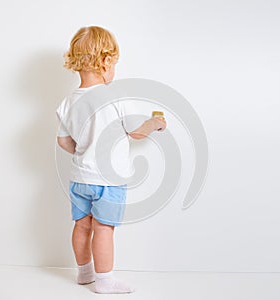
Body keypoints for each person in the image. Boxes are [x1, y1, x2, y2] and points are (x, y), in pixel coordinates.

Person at [56, 26, 166, 294]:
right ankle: (104, 281)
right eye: (114, 63)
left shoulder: (68, 101)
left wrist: (84, 152)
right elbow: (136, 132)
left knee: (82, 226)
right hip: (108, 180)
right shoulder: (115, 96)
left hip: (79, 178)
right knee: (103, 228)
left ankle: (84, 273)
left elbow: (63, 141)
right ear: (105, 62)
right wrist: (154, 123)